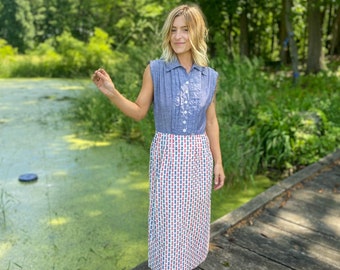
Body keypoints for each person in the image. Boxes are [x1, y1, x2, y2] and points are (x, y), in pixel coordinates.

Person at [92, 4, 225, 270]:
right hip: (168, 155)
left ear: (196, 33)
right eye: (173, 30)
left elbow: (211, 121)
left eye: (185, 30)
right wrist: (112, 92)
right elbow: (139, 111)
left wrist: (218, 162)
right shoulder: (155, 70)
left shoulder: (209, 76)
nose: (178, 36)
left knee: (192, 220)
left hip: (199, 157)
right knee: (167, 222)